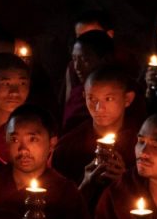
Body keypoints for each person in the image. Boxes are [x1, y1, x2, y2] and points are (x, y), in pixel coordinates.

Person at [52, 64, 142, 203]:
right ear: (84, 97)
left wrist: (124, 180)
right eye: (92, 99)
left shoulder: (141, 144)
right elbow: (59, 206)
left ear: (127, 99)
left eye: (109, 99)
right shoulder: (68, 145)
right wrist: (86, 184)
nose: (99, 108)